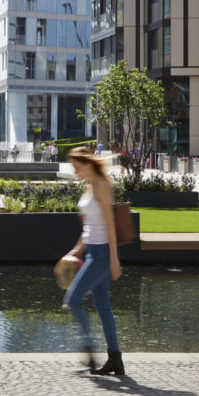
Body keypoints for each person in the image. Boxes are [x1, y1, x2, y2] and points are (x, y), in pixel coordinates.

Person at [62, 146, 124, 376]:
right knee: (103, 308)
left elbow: (110, 226)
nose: (75, 172)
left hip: (102, 255)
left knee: (73, 299)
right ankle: (115, 360)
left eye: (77, 167)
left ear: (88, 164)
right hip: (91, 253)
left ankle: (89, 351)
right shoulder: (89, 187)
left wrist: (114, 260)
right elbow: (88, 227)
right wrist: (76, 251)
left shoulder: (101, 187)